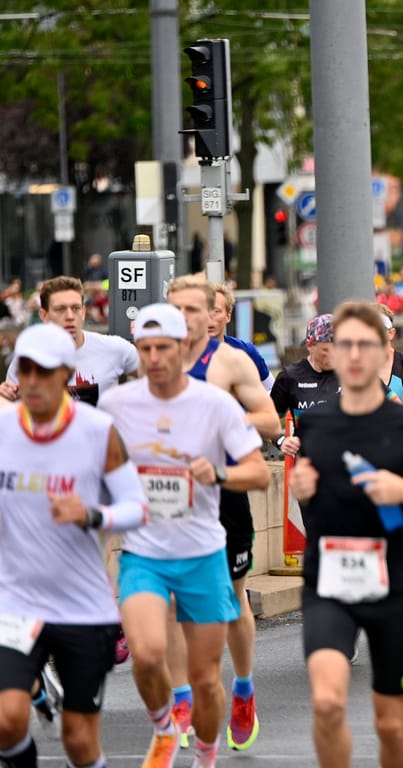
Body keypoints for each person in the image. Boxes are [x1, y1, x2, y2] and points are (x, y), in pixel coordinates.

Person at [288, 301, 403, 768]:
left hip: (390, 584)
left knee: (391, 724)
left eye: (363, 345)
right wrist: (303, 486)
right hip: (328, 582)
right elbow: (313, 485)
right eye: (343, 344)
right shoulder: (315, 422)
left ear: (381, 352)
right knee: (328, 703)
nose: (353, 354)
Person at [100, 303, 270, 768]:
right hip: (143, 554)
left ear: (182, 347)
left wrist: (217, 473)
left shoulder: (213, 403)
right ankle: (163, 729)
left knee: (204, 677)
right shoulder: (116, 405)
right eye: (144, 348)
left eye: (162, 348)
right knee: (148, 655)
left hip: (202, 554)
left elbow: (259, 474)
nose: (153, 357)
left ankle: (207, 754)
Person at [0, 324, 150, 768]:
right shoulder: (3, 430)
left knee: (79, 741)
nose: (31, 381)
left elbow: (136, 509)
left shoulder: (98, 432)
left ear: (66, 373)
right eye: (24, 370)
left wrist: (91, 515)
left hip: (84, 609)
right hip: (17, 605)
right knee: (7, 720)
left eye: (43, 372)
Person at [165, 277, 281, 751]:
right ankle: (180, 699)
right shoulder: (154, 355)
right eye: (184, 309)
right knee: (172, 600)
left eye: (203, 309)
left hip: (224, 488)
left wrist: (215, 417)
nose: (196, 318)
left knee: (232, 601)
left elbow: (272, 421)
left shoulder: (233, 359)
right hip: (170, 493)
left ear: (218, 312)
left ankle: (244, 689)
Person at [1, 276, 138, 405]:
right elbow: (11, 407)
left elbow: (156, 379)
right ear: (44, 315)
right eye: (60, 309)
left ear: (83, 312)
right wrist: (4, 395)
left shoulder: (114, 347)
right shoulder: (29, 357)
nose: (70, 316)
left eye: (75, 308)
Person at [271, 314, 340, 459]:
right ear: (310, 346)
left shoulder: (354, 372)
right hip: (309, 470)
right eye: (326, 350)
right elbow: (266, 419)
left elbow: (391, 405)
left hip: (352, 470)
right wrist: (281, 440)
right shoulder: (290, 377)